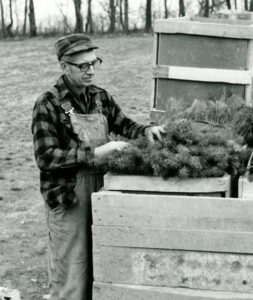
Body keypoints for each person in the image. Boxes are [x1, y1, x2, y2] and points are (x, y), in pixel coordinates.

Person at [31, 33, 164, 300]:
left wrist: (148, 131)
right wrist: (96, 152)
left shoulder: (100, 97)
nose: (91, 70)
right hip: (69, 197)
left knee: (99, 266)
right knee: (71, 273)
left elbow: (125, 125)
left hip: (100, 194)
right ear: (64, 67)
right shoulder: (49, 103)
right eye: (83, 66)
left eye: (94, 63)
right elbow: (46, 158)